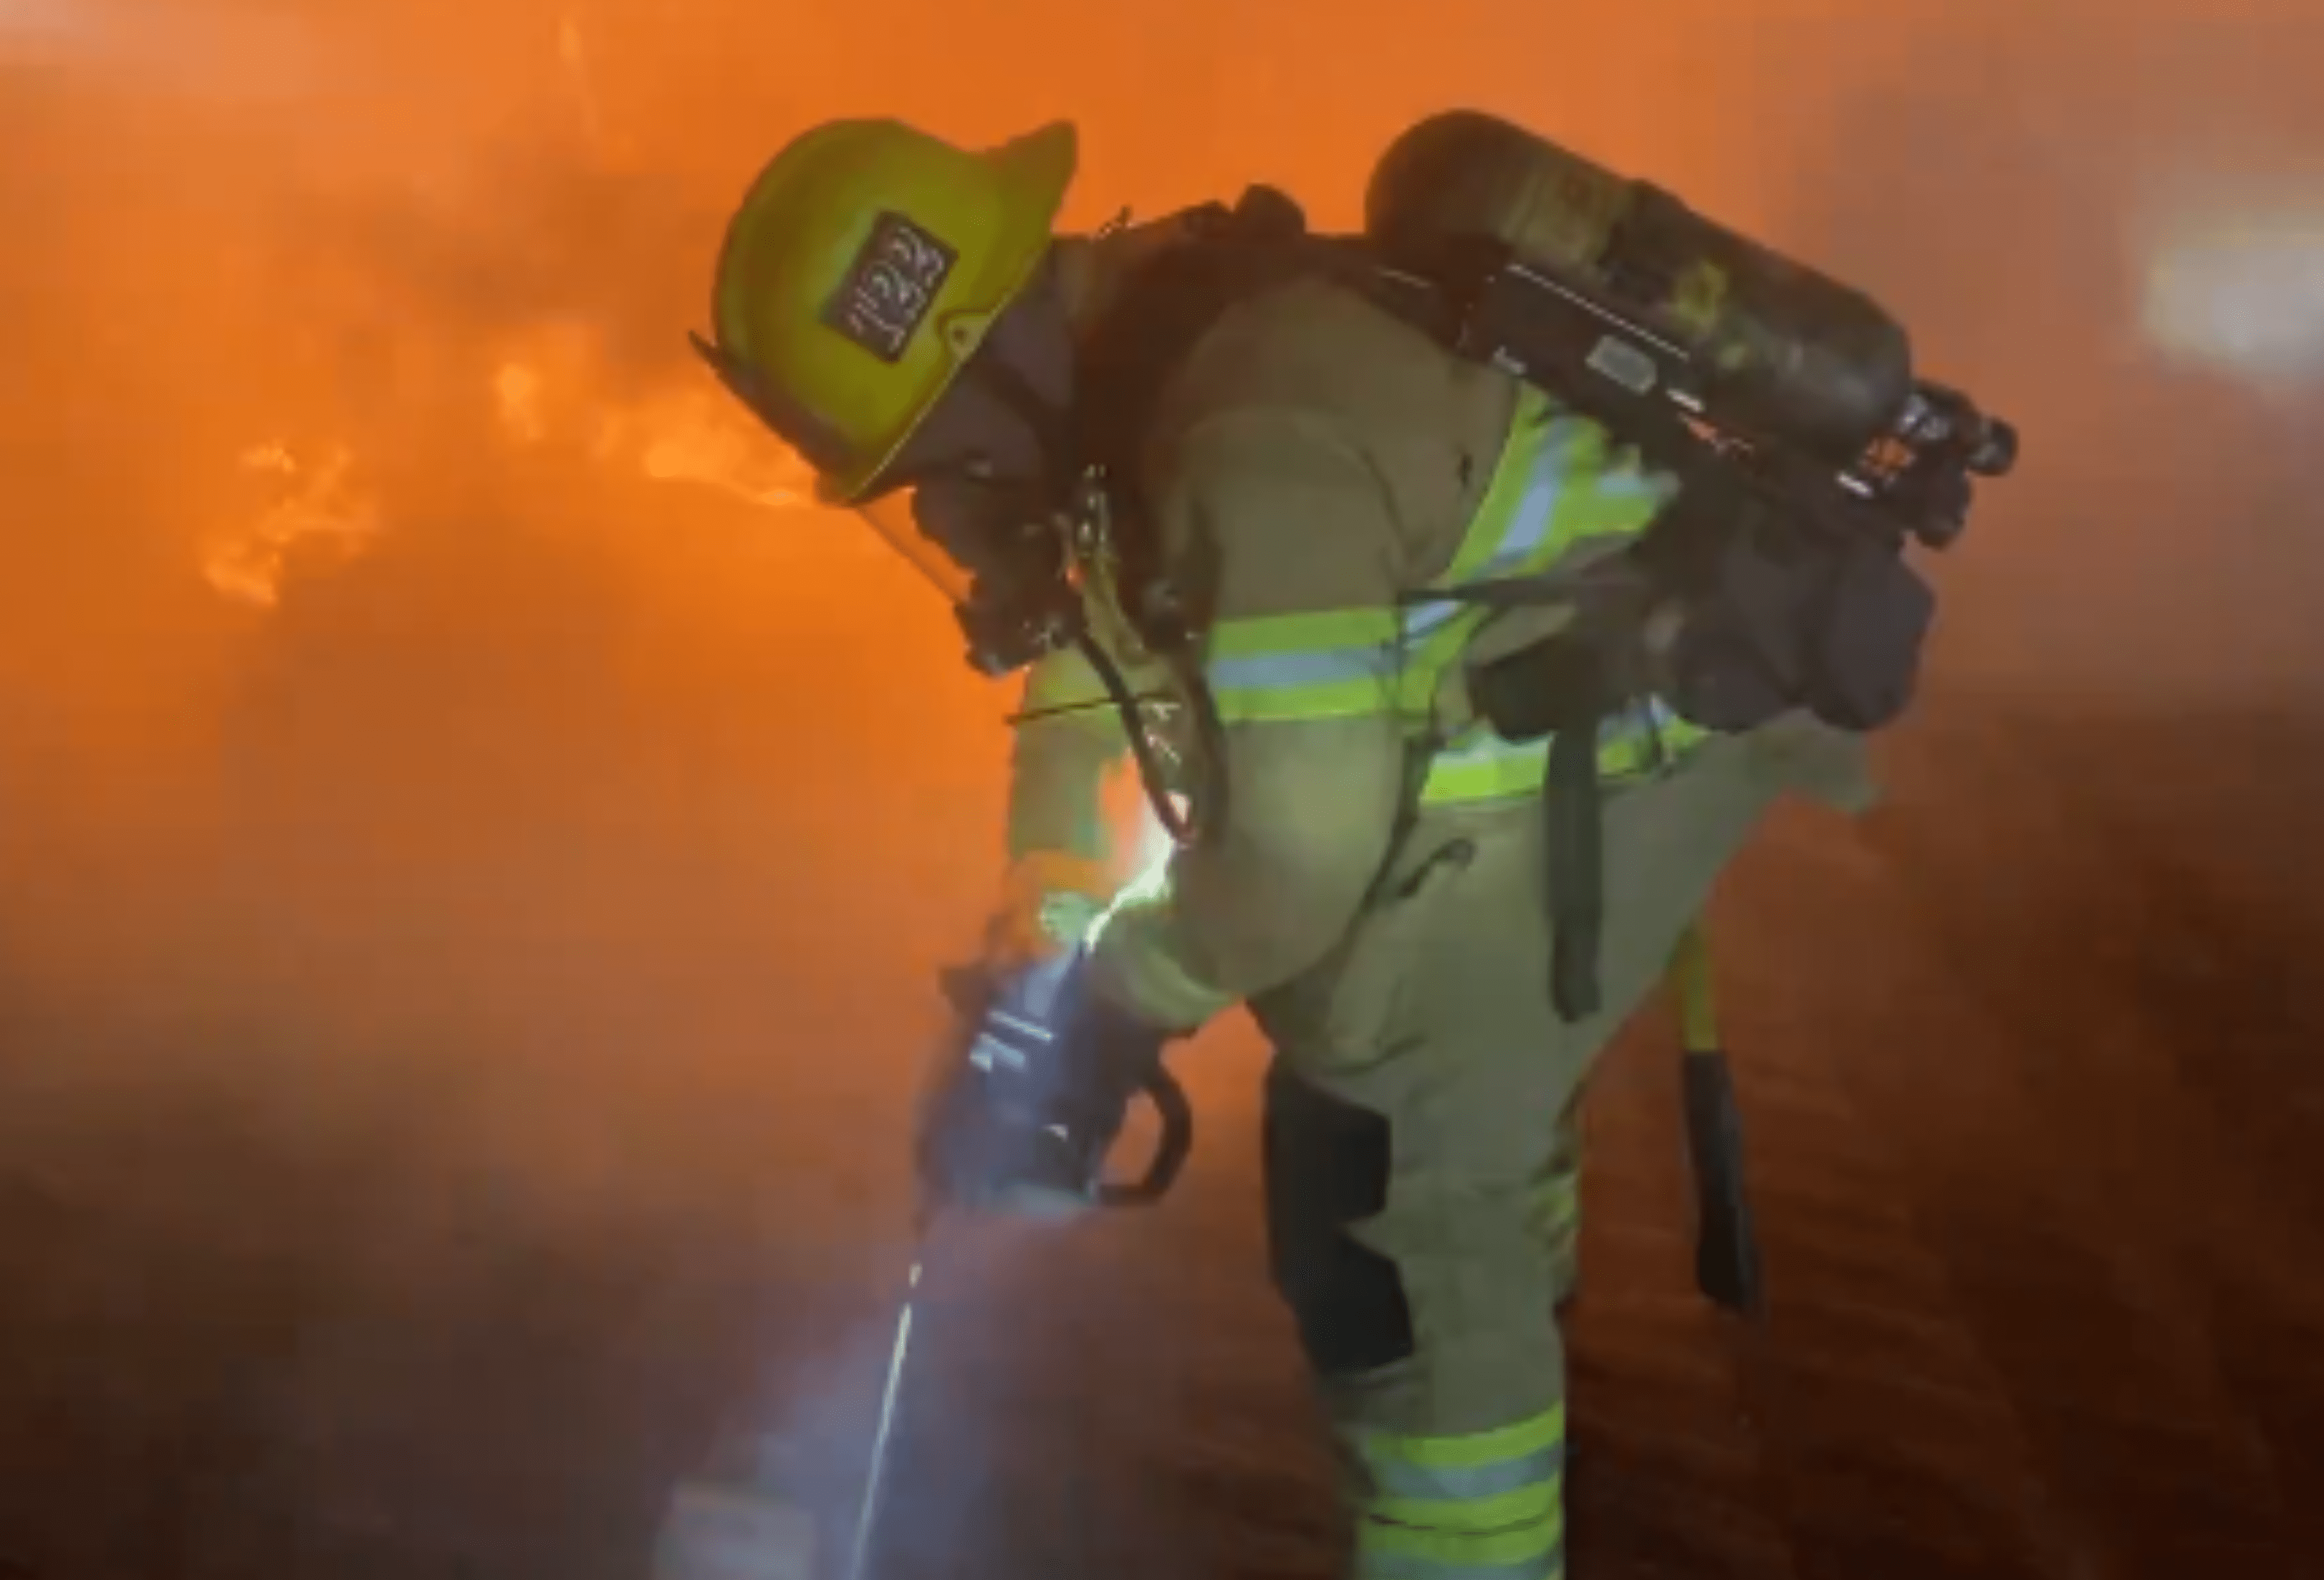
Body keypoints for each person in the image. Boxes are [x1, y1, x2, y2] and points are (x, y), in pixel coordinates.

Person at [689, 115, 1886, 1580]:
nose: (943, 513)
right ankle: (1521, 1291)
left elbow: (1303, 856)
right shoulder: (1143, 370)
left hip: (1616, 744)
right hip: (1543, 719)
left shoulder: (1235, 436)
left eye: (931, 465)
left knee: (1379, 1187)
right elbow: (1097, 669)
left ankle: (1472, 1495)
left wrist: (1114, 1009)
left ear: (980, 349)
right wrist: (1046, 933)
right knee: (1430, 1089)